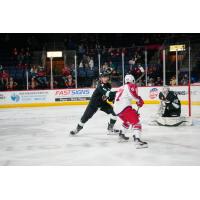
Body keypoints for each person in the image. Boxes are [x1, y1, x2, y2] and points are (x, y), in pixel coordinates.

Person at [70, 71, 119, 135]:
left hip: (102, 104)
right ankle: (77, 129)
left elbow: (108, 96)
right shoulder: (100, 86)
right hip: (93, 105)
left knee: (115, 113)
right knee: (85, 118)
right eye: (103, 77)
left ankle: (110, 129)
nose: (105, 78)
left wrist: (112, 99)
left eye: (106, 77)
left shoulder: (108, 85)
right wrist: (119, 92)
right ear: (101, 78)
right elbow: (108, 93)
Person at [113, 74, 148, 149]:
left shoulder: (121, 87)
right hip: (124, 108)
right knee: (136, 122)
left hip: (117, 109)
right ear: (132, 80)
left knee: (128, 121)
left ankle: (121, 135)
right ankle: (137, 141)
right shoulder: (130, 85)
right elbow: (133, 94)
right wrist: (139, 100)